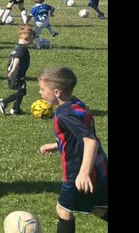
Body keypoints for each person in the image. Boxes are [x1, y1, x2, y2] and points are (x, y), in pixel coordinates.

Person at [37, 67, 110, 231]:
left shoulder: (64, 114)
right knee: (97, 208)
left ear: (56, 92)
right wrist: (57, 145)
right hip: (100, 167)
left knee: (63, 210)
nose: (40, 93)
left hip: (78, 171)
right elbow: (79, 135)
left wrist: (83, 173)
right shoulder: (77, 103)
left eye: (42, 89)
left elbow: (90, 141)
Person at [0, 25, 33, 115]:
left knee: (22, 89)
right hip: (16, 74)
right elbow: (17, 58)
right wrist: (13, 70)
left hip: (17, 73)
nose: (32, 42)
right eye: (32, 39)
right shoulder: (23, 48)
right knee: (22, 91)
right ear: (26, 38)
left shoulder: (17, 47)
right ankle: (4, 102)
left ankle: (16, 109)